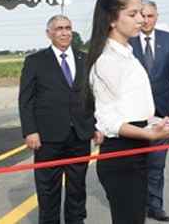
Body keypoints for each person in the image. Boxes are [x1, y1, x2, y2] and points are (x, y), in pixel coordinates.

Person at [82, 0, 169, 224]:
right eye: (133, 14)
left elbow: (133, 107)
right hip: (122, 156)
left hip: (136, 151)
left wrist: (161, 122)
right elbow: (108, 120)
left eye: (141, 13)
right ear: (111, 19)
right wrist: (146, 133)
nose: (141, 19)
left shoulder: (127, 53)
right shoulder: (108, 60)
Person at [19, 15, 103, 224]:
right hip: (48, 137)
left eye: (68, 28)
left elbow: (93, 96)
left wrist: (96, 126)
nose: (65, 33)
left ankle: (76, 220)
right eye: (59, 29)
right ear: (49, 34)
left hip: (80, 135)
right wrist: (30, 131)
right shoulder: (35, 62)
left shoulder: (85, 59)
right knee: (48, 188)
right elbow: (26, 100)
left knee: (77, 186)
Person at [129, 0, 169, 222]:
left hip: (162, 115)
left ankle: (154, 205)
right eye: (142, 16)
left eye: (150, 16)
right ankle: (135, 204)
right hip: (134, 116)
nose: (146, 20)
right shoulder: (127, 42)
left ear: (156, 17)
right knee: (135, 164)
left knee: (157, 163)